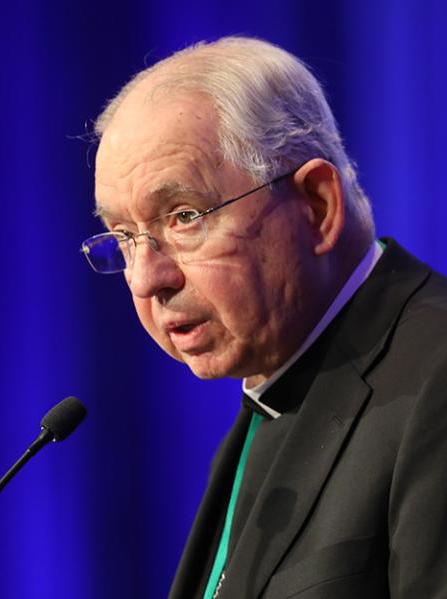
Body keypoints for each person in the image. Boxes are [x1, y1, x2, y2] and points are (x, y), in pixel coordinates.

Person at [81, 37, 447, 598]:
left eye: (183, 217)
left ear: (318, 207)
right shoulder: (273, 389)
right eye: (126, 238)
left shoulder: (434, 380)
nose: (146, 279)